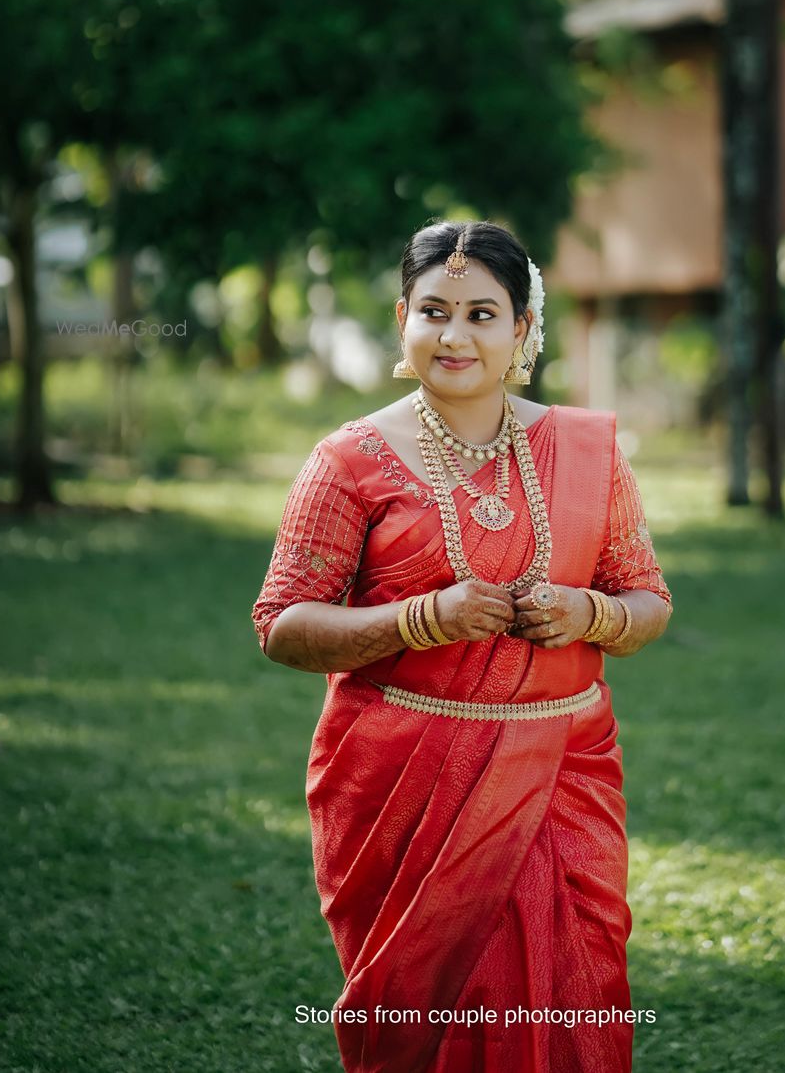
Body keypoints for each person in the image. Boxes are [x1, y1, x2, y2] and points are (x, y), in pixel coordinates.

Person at [251, 219, 673, 1073]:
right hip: (406, 782)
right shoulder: (349, 460)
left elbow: (649, 599)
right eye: (434, 310)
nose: (455, 335)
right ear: (403, 317)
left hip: (562, 772)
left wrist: (588, 614)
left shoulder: (588, 453)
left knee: (570, 999)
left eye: (483, 313)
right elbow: (284, 625)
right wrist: (422, 619)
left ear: (522, 329)